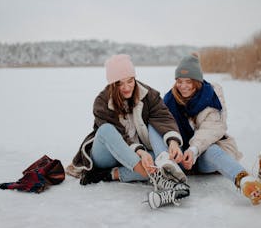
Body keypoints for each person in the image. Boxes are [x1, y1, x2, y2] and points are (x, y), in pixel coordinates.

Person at [66, 54, 190, 208]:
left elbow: (163, 117)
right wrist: (140, 152)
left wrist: (172, 142)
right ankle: (159, 178)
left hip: (135, 156)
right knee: (106, 130)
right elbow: (120, 135)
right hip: (107, 154)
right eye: (120, 84)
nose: (126, 87)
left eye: (130, 81)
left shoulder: (148, 94)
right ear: (112, 84)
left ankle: (114, 175)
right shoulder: (102, 102)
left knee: (161, 159)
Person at [162, 53, 261, 205]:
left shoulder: (212, 96)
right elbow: (164, 126)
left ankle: (245, 181)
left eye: (188, 81)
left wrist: (193, 150)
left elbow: (213, 128)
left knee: (212, 150)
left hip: (203, 155)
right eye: (179, 81)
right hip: (179, 157)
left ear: (196, 81)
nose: (183, 86)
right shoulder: (169, 100)